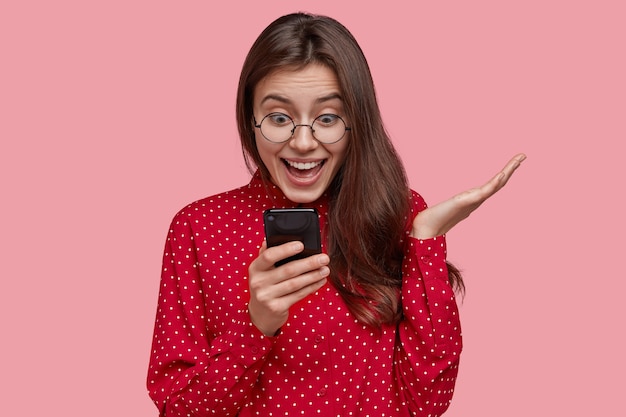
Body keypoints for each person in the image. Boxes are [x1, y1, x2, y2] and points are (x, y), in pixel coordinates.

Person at [147, 12, 525, 417]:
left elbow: (427, 401)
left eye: (327, 118)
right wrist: (255, 326)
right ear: (250, 120)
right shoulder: (199, 227)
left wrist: (426, 237)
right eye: (279, 118)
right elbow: (179, 409)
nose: (304, 142)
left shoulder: (396, 213)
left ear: (355, 122)